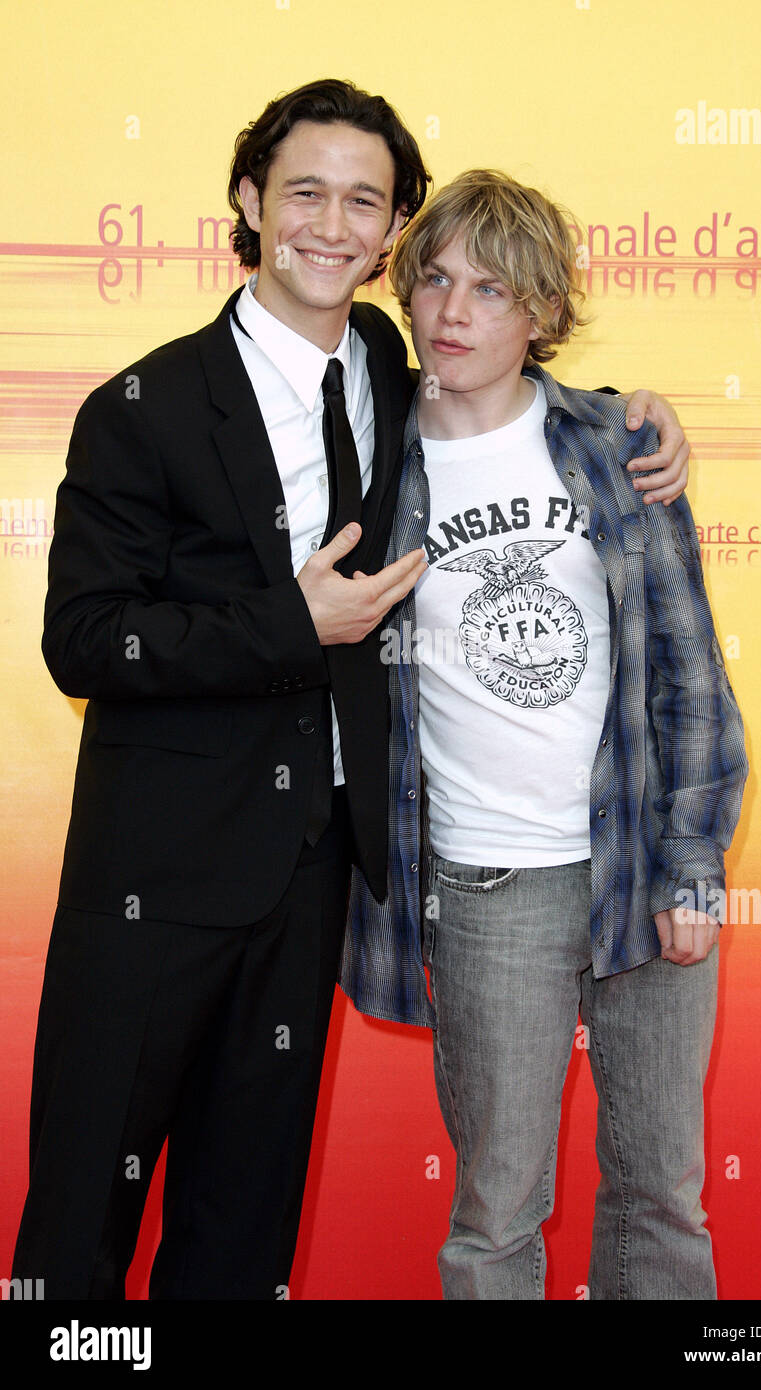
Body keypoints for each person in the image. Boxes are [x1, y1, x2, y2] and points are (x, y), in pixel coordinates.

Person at [13, 79, 691, 1300]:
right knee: (79, 1224)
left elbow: (517, 390)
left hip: (314, 869)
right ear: (247, 201)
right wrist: (291, 620)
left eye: (363, 202)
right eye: (304, 192)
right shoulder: (145, 405)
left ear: (390, 233)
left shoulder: (390, 362)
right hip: (154, 877)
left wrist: (639, 412)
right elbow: (83, 640)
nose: (332, 225)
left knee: (242, 1220)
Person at [343, 170, 748, 1300]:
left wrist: (691, 865)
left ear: (539, 314)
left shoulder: (609, 444)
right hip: (483, 886)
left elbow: (689, 672)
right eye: (433, 279)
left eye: (488, 288)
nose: (450, 311)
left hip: (636, 867)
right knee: (495, 1209)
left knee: (662, 1189)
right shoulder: (371, 463)